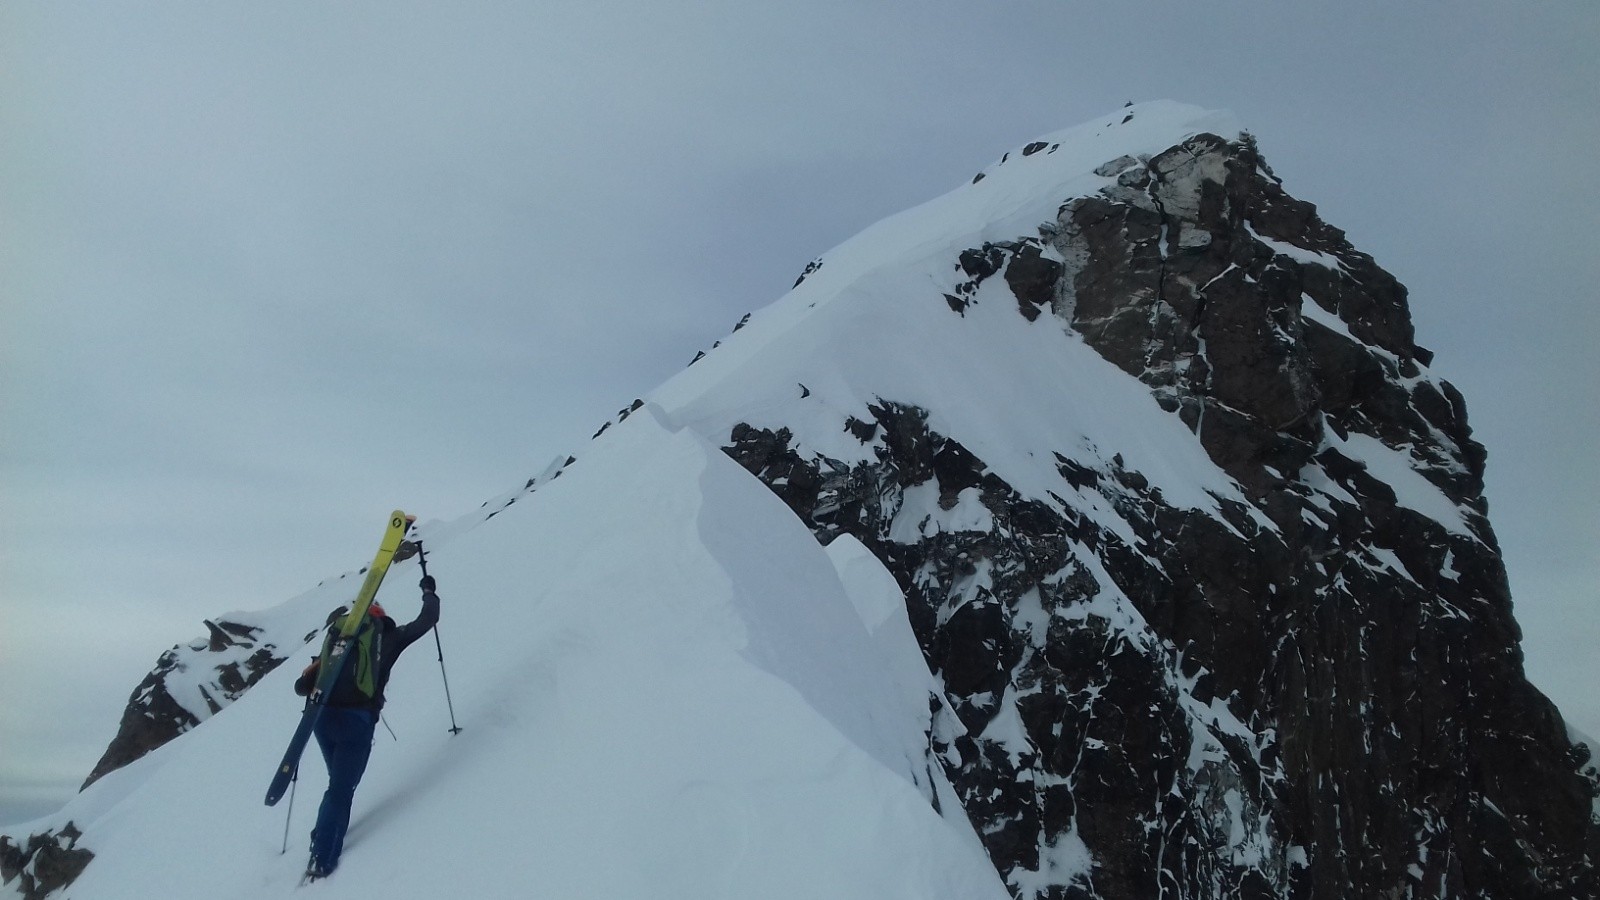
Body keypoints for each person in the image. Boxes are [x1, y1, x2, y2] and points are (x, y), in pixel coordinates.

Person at [294, 575, 441, 878]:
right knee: (342, 787)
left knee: (338, 782)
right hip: (356, 722)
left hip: (322, 720)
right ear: (380, 616)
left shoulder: (339, 638)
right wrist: (429, 591)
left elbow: (301, 686)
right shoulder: (389, 635)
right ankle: (322, 856)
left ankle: (324, 829)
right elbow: (428, 619)